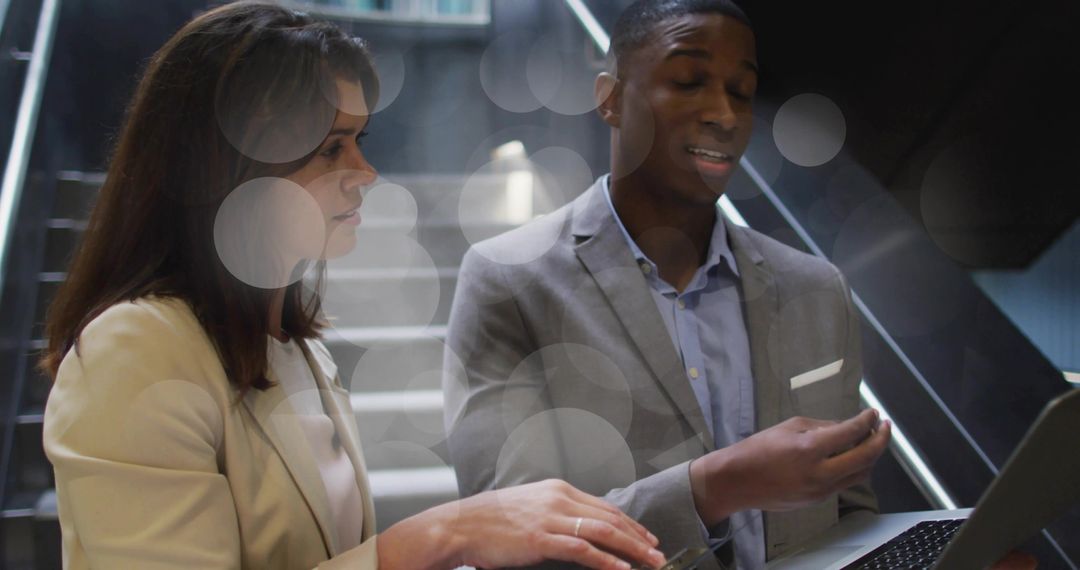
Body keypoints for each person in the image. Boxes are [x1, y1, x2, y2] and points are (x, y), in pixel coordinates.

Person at [40, 3, 669, 569]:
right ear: (226, 164)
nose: (365, 172)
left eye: (358, 142)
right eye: (330, 147)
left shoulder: (293, 346)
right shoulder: (136, 349)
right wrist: (441, 534)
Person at [444, 1, 892, 567]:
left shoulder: (816, 288)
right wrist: (715, 487)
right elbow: (507, 543)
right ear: (609, 98)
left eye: (743, 92)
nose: (724, 115)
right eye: (688, 81)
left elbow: (851, 514)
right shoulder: (509, 279)